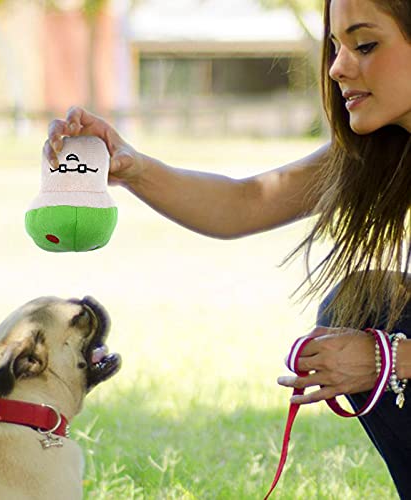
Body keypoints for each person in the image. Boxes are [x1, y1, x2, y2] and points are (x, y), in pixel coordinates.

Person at [45, 0, 410, 496]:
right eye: (335, 46)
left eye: (364, 44)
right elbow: (243, 203)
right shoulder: (383, 149)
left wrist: (387, 359)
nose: (338, 67)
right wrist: (132, 166)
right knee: (364, 302)